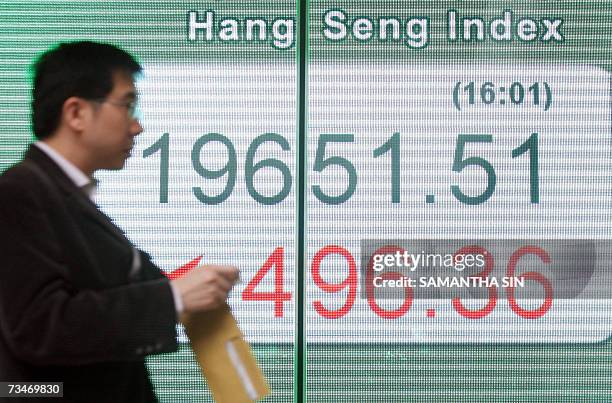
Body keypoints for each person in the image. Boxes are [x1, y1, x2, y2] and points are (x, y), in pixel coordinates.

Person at [0, 41, 239, 402]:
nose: (137, 126)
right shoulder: (19, 194)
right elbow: (40, 327)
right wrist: (171, 298)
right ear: (76, 113)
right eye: (127, 105)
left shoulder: (66, 198)